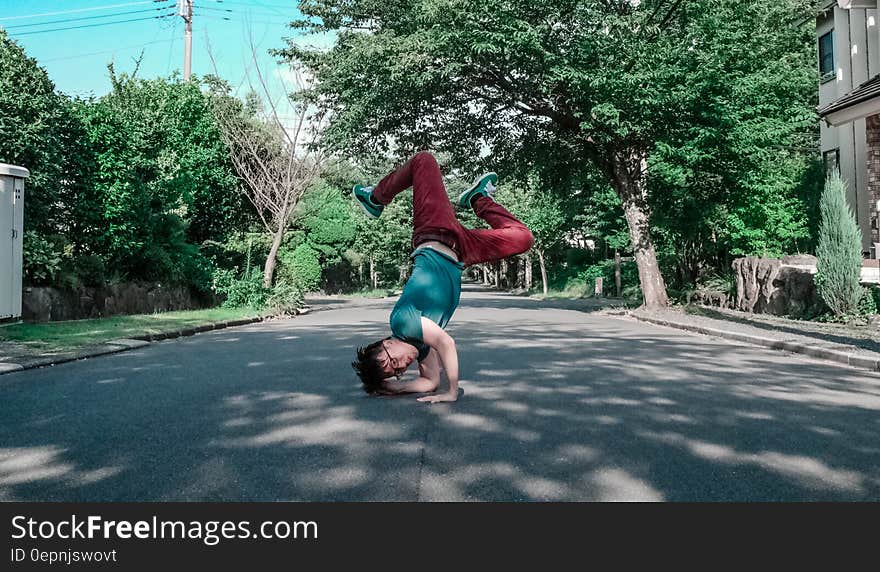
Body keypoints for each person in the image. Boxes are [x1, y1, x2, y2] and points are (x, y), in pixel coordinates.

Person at [350, 151, 534, 403]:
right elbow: (429, 381)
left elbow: (446, 343)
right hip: (462, 250)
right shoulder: (420, 344)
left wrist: (452, 391)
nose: (403, 366)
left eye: (394, 362)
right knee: (523, 238)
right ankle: (479, 198)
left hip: (434, 231)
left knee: (423, 160)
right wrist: (394, 388)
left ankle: (374, 198)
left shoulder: (404, 324)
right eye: (399, 373)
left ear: (386, 344)